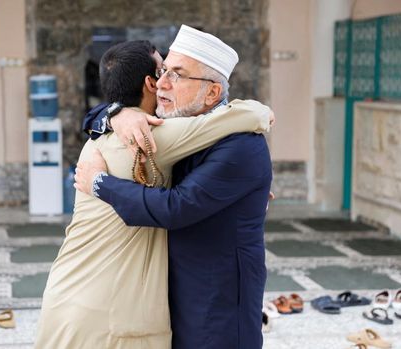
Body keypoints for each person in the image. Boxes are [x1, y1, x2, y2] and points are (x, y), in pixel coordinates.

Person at [33, 39, 271, 348]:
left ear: (213, 92)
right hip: (117, 303)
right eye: (163, 71)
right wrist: (116, 114)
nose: (163, 85)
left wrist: (100, 178)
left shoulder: (239, 144)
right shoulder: (151, 133)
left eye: (176, 74)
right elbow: (249, 114)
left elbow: (177, 207)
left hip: (215, 299)